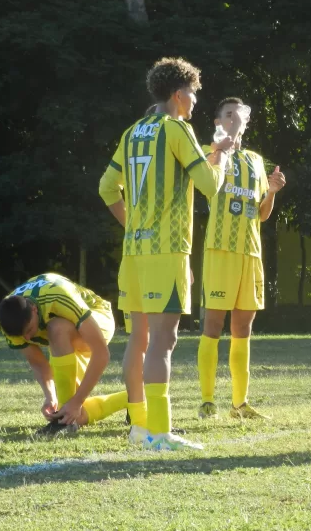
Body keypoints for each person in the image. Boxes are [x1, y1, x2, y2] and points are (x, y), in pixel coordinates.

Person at [99, 57, 233, 450]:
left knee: (137, 340)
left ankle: (140, 427)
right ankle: (159, 432)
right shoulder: (177, 129)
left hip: (134, 253)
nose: (194, 101)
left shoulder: (132, 131)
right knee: (163, 342)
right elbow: (210, 185)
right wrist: (222, 154)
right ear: (178, 94)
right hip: (166, 251)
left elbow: (108, 188)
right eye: (193, 93)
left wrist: (133, 225)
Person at [196, 98, 286, 420]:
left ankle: (239, 403)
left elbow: (261, 214)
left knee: (243, 329)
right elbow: (206, 187)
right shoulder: (213, 155)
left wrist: (272, 191)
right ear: (218, 120)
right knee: (212, 325)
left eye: (240, 115)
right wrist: (220, 148)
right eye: (228, 114)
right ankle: (207, 400)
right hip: (220, 250)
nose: (235, 119)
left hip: (251, 252)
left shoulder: (255, 161)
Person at [0, 273, 128, 435]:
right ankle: (134, 398)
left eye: (30, 330)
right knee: (75, 414)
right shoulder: (7, 318)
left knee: (56, 328)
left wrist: (76, 401)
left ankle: (63, 423)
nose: (28, 338)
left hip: (98, 316)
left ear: (34, 309)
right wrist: (50, 396)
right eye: (21, 336)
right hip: (65, 341)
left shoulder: (58, 297)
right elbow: (38, 362)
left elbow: (101, 353)